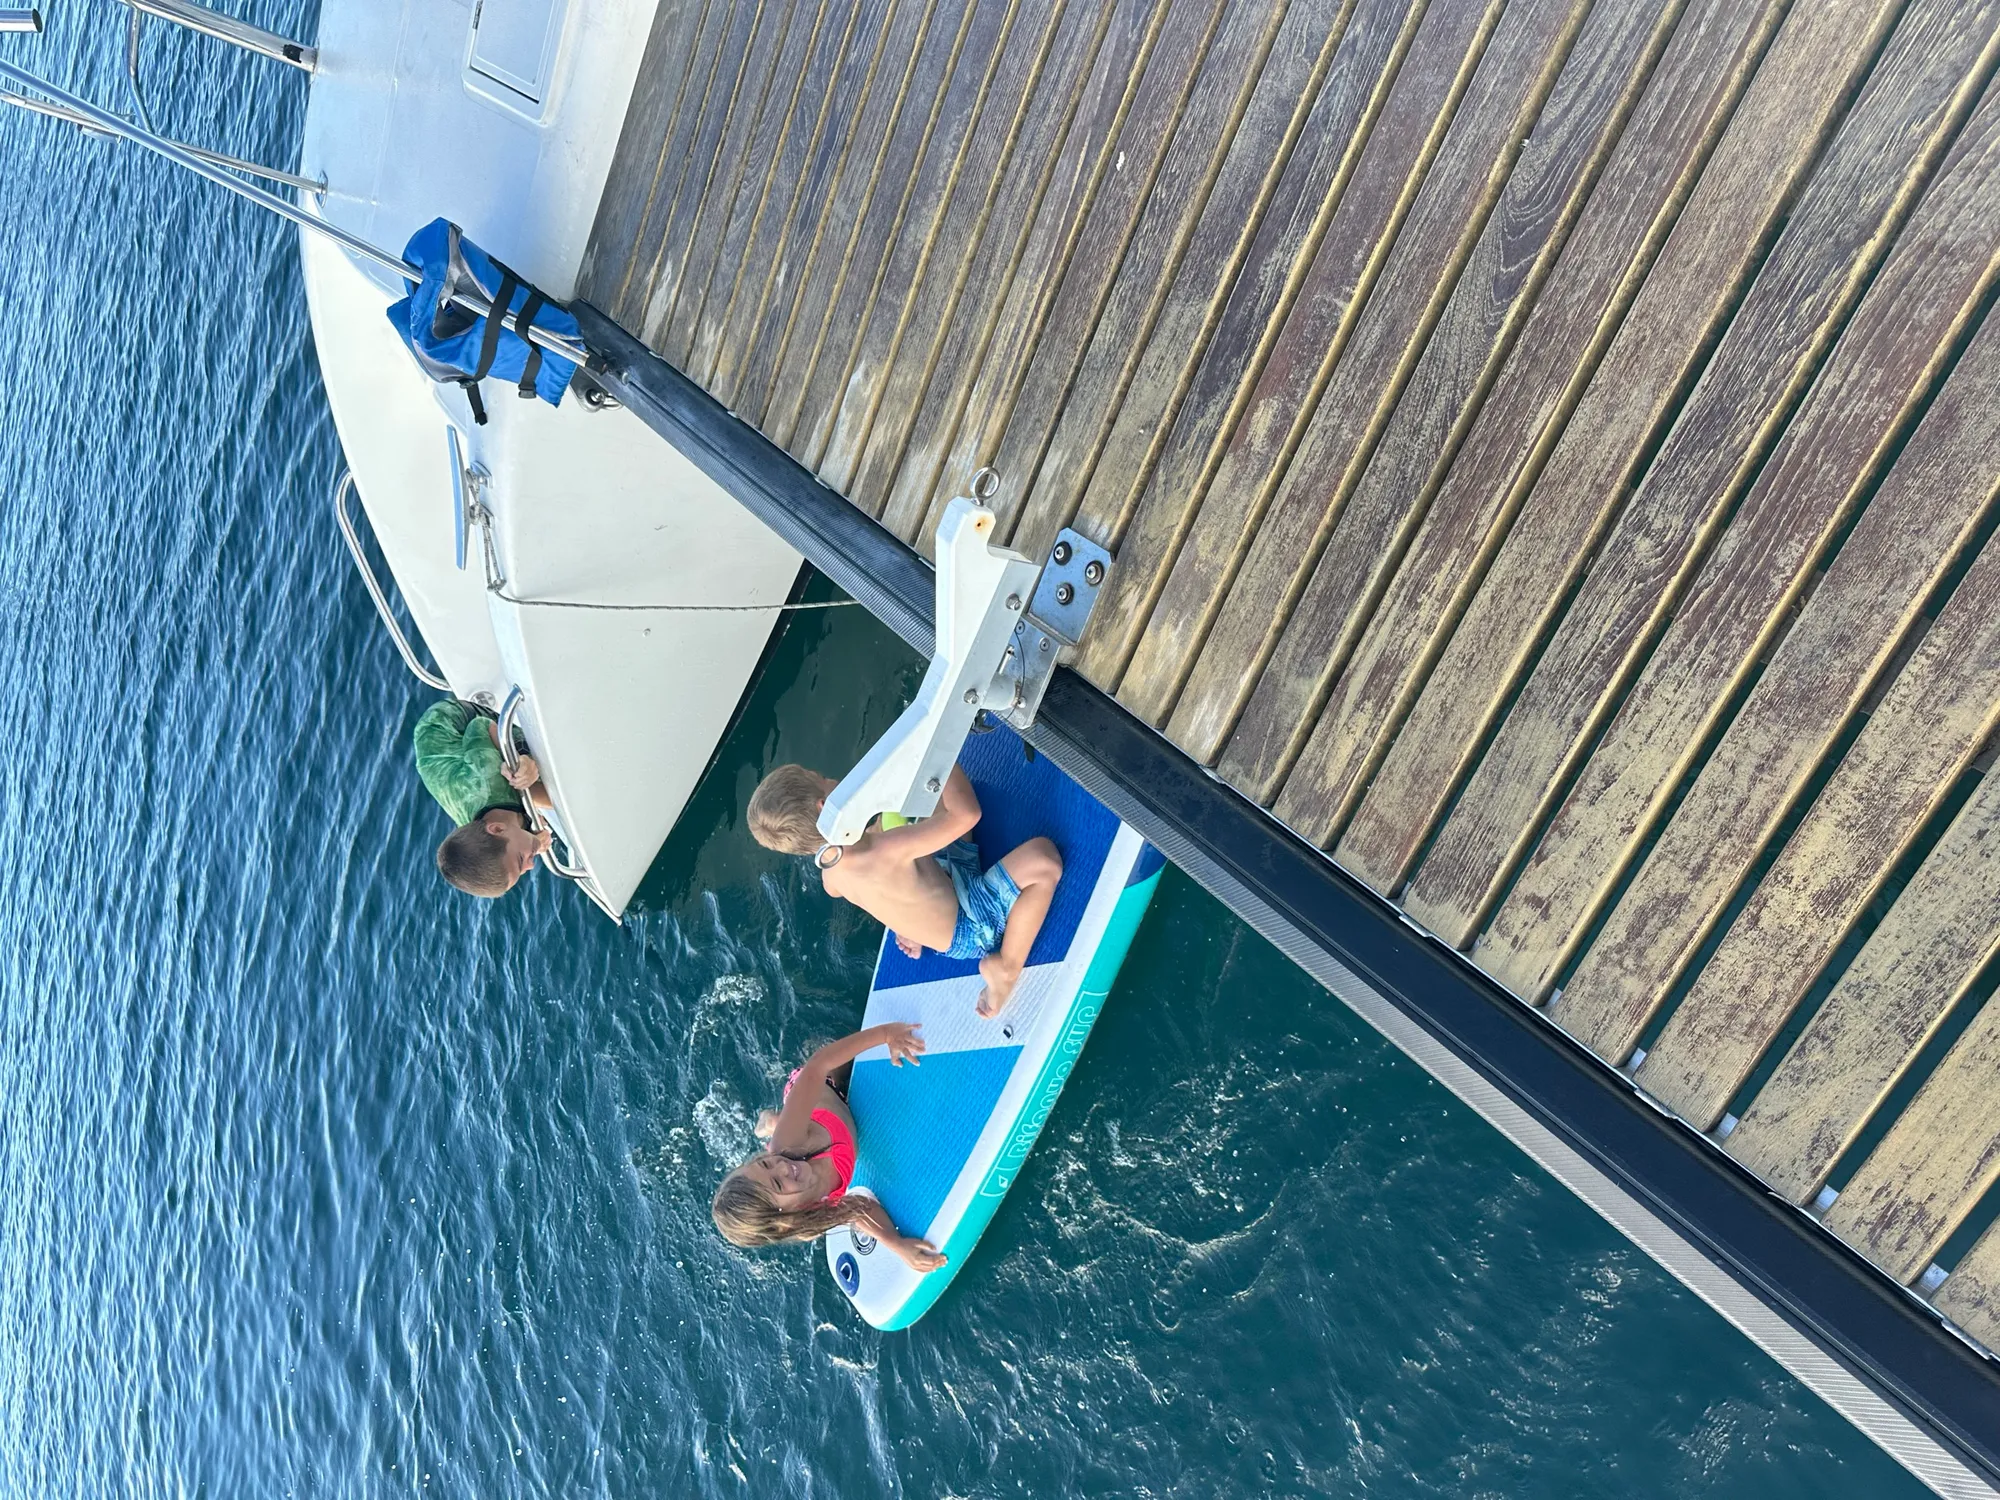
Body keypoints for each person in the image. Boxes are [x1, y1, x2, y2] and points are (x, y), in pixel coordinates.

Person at [747, 762, 1062, 1016]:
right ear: (825, 804)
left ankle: (920, 929)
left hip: (944, 878)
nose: (833, 778)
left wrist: (908, 927)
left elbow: (885, 892)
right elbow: (968, 815)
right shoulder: (885, 849)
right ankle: (1006, 968)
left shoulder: (832, 878)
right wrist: (939, 750)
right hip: (971, 926)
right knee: (1043, 860)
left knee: (932, 796)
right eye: (825, 776)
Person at [712, 1024, 945, 1273]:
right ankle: (772, 1121)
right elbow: (858, 1208)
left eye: (765, 1163)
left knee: (842, 1062)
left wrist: (887, 1035)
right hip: (833, 1123)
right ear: (784, 1218)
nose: (781, 1166)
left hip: (824, 1085)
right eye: (778, 1184)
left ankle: (772, 1121)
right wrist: (897, 1244)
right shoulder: (812, 1216)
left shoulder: (788, 1144)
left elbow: (818, 1066)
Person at [412, 698, 552, 897]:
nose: (530, 866)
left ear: (496, 828)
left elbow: (480, 725)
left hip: (447, 721)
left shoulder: (486, 775)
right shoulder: (489, 832)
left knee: (523, 769)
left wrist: (523, 758)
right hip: (446, 773)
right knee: (530, 794)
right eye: (522, 870)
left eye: (521, 860)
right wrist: (533, 841)